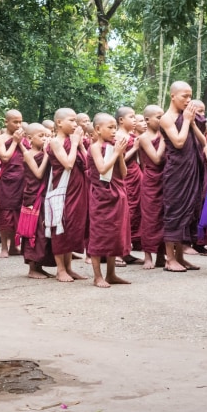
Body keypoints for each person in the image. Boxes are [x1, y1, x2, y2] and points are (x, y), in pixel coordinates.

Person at [160, 82, 204, 272]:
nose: (188, 100)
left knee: (188, 212)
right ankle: (169, 259)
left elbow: (203, 141)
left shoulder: (187, 117)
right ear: (173, 96)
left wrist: (191, 122)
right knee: (174, 212)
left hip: (191, 169)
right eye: (184, 96)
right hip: (176, 172)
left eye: (190, 96)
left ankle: (180, 257)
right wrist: (186, 120)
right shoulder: (166, 118)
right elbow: (178, 142)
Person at [87, 113, 131, 287]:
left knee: (114, 234)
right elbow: (102, 169)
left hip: (117, 194)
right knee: (99, 234)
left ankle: (111, 274)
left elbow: (124, 173)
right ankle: (97, 276)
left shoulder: (113, 147)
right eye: (110, 127)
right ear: (98, 129)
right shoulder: (95, 147)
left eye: (115, 127)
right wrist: (117, 152)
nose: (114, 131)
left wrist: (119, 155)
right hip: (101, 196)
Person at [46, 108, 88, 282]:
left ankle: (69, 268)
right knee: (61, 226)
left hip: (78, 189)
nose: (75, 124)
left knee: (73, 228)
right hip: (63, 190)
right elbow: (68, 164)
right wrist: (75, 142)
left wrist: (80, 145)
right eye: (71, 120)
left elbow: (87, 162)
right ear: (59, 122)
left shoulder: (74, 141)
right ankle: (60, 269)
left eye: (76, 121)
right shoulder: (55, 142)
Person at [21, 123, 55, 278]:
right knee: (34, 231)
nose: (45, 139)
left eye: (47, 136)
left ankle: (39, 266)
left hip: (45, 195)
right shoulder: (28, 154)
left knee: (44, 232)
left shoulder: (44, 153)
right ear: (29, 138)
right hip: (34, 197)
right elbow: (39, 173)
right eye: (41, 136)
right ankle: (32, 268)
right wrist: (47, 154)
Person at [0, 110, 27, 258]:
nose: (18, 125)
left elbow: (28, 156)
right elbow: (5, 158)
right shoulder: (0, 138)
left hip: (22, 179)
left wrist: (21, 142)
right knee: (6, 213)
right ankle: (4, 247)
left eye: (20, 122)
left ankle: (14, 245)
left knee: (18, 213)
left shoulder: (23, 138)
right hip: (7, 181)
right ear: (6, 122)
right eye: (15, 122)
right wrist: (15, 141)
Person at [138, 105, 166, 269]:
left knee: (163, 217)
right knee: (149, 218)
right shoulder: (143, 137)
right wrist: (163, 138)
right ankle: (147, 255)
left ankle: (161, 255)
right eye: (158, 117)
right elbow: (156, 159)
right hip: (150, 180)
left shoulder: (165, 135)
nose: (162, 120)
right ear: (147, 120)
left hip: (165, 179)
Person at [115, 106, 142, 262]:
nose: (134, 119)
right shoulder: (118, 136)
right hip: (126, 178)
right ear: (121, 120)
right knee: (126, 213)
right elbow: (119, 159)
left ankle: (126, 251)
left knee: (134, 212)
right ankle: (118, 252)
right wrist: (135, 148)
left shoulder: (131, 135)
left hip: (135, 177)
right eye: (131, 117)